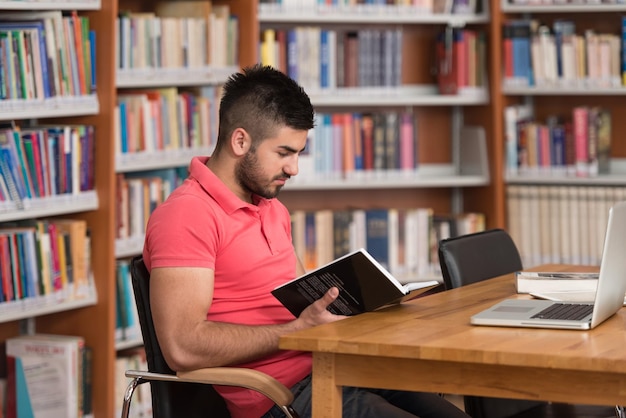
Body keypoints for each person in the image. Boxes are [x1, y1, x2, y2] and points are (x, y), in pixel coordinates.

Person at [143, 64, 469, 418]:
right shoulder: (186, 216)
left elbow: (302, 302)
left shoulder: (271, 208)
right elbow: (183, 347)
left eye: (298, 153)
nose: (294, 169)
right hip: (279, 397)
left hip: (333, 367)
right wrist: (293, 331)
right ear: (240, 141)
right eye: (284, 153)